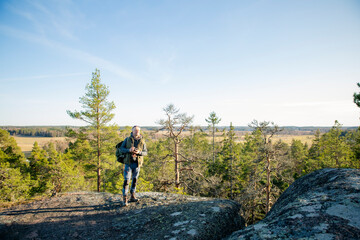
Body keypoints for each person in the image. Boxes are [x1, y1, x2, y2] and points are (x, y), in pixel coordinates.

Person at [120, 125, 147, 206]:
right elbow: (121, 149)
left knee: (135, 180)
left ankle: (132, 196)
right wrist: (129, 150)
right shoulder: (127, 139)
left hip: (137, 164)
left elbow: (145, 152)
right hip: (128, 163)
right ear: (132, 131)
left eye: (138, 130)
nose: (137, 132)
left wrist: (139, 152)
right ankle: (125, 198)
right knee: (127, 180)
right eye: (135, 130)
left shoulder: (142, 141)